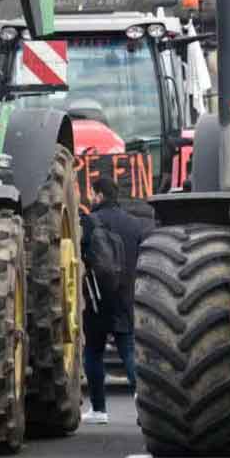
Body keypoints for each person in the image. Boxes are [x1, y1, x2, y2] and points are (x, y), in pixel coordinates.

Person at [80, 176, 148, 424]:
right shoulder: (134, 224)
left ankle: (99, 410)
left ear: (98, 195)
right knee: (129, 351)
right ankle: (145, 405)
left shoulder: (89, 222)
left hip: (97, 296)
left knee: (93, 352)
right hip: (126, 295)